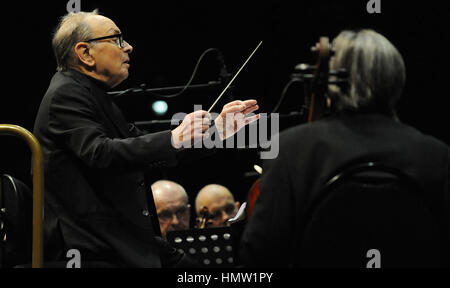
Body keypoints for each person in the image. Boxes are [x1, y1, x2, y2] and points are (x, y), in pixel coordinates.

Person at [33, 10, 259, 267]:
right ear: (85, 53)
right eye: (116, 39)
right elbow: (101, 153)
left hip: (122, 239)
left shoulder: (90, 94)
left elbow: (144, 148)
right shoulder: (66, 94)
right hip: (92, 249)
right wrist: (173, 137)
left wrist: (217, 133)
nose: (128, 47)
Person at [239, 29, 450, 267]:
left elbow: (259, 261)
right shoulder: (438, 157)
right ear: (397, 79)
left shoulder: (288, 150)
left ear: (333, 82)